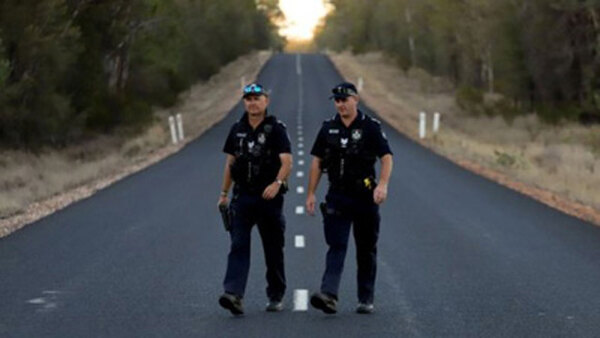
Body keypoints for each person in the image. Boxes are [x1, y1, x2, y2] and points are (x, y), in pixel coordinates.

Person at [306, 82, 393, 314]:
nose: (340, 104)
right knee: (337, 245)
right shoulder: (328, 128)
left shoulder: (370, 127)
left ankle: (365, 298)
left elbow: (386, 157)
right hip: (337, 195)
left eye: (345, 100)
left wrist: (382, 185)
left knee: (365, 248)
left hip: (364, 196)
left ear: (356, 100)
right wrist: (311, 193)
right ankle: (329, 295)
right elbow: (316, 161)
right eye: (337, 100)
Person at [218, 83, 292, 315]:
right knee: (238, 245)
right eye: (248, 99)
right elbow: (230, 163)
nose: (252, 102)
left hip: (268, 197)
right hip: (243, 197)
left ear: (266, 101)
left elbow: (287, 161)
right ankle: (233, 294)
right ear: (244, 103)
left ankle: (276, 294)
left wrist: (277, 183)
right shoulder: (236, 129)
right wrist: (223, 194)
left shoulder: (276, 129)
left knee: (272, 248)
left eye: (257, 98)